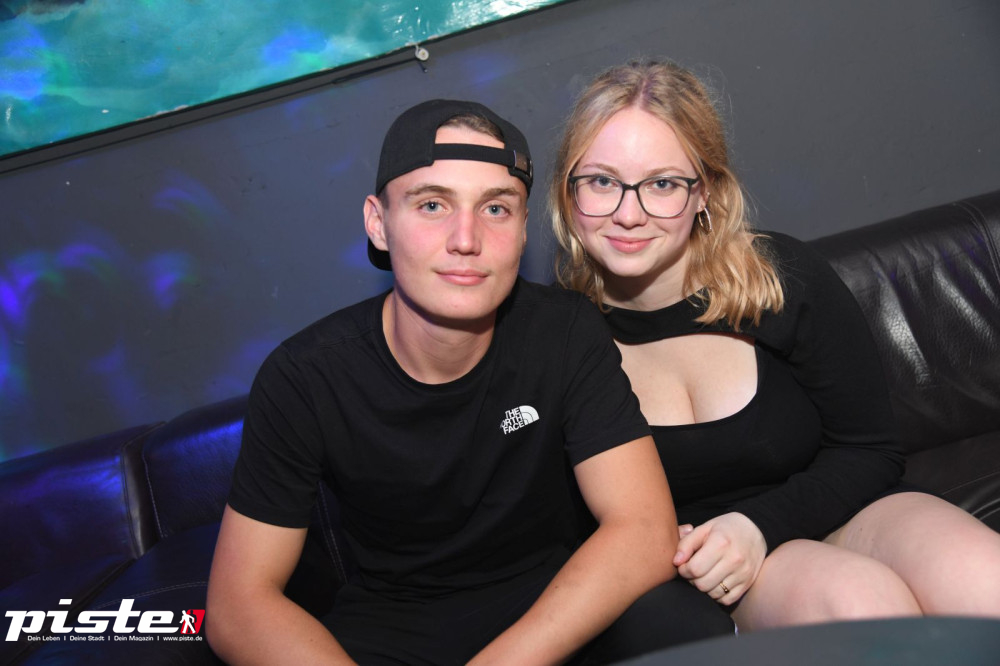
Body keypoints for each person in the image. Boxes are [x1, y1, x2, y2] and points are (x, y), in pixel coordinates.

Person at [206, 98, 733, 665]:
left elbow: (644, 529)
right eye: (432, 205)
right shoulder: (306, 377)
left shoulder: (563, 332)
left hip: (555, 610)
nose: (466, 238)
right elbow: (238, 604)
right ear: (378, 223)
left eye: (496, 208)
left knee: (682, 626)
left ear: (523, 230)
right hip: (393, 631)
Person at [550, 60, 1000, 632]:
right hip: (723, 567)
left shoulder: (782, 277)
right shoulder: (557, 338)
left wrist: (758, 523)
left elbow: (871, 450)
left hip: (848, 507)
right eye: (602, 181)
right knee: (862, 607)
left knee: (986, 580)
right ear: (568, 193)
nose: (629, 213)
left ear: (704, 192)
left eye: (663, 184)